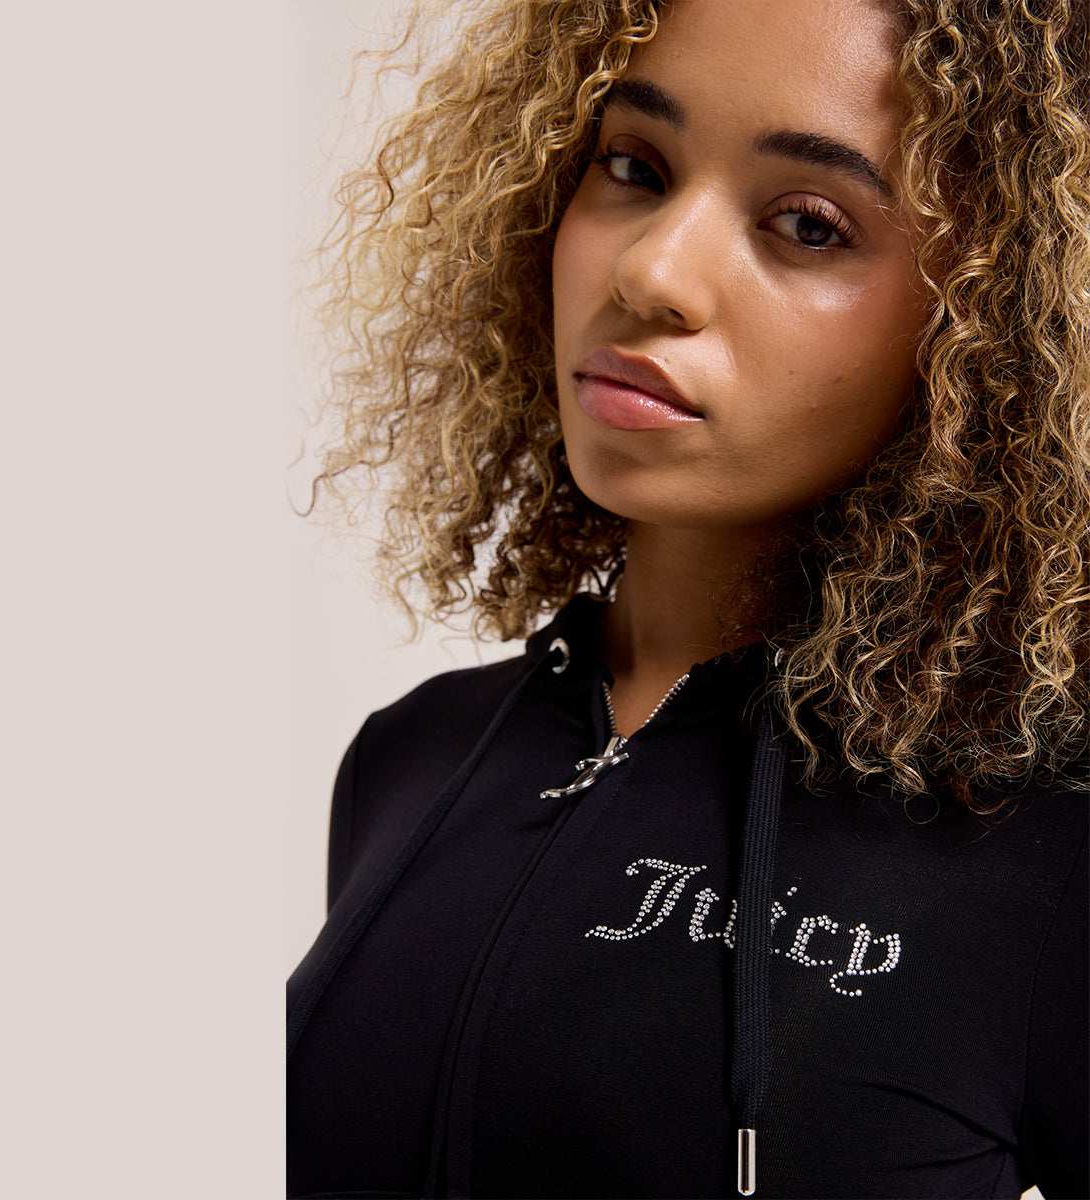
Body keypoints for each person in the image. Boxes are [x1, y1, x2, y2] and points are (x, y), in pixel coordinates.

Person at [286, 0, 1088, 1196]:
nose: (652, 270)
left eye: (808, 225)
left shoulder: (1047, 852)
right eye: (633, 167)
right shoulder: (413, 760)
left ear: (996, 329)